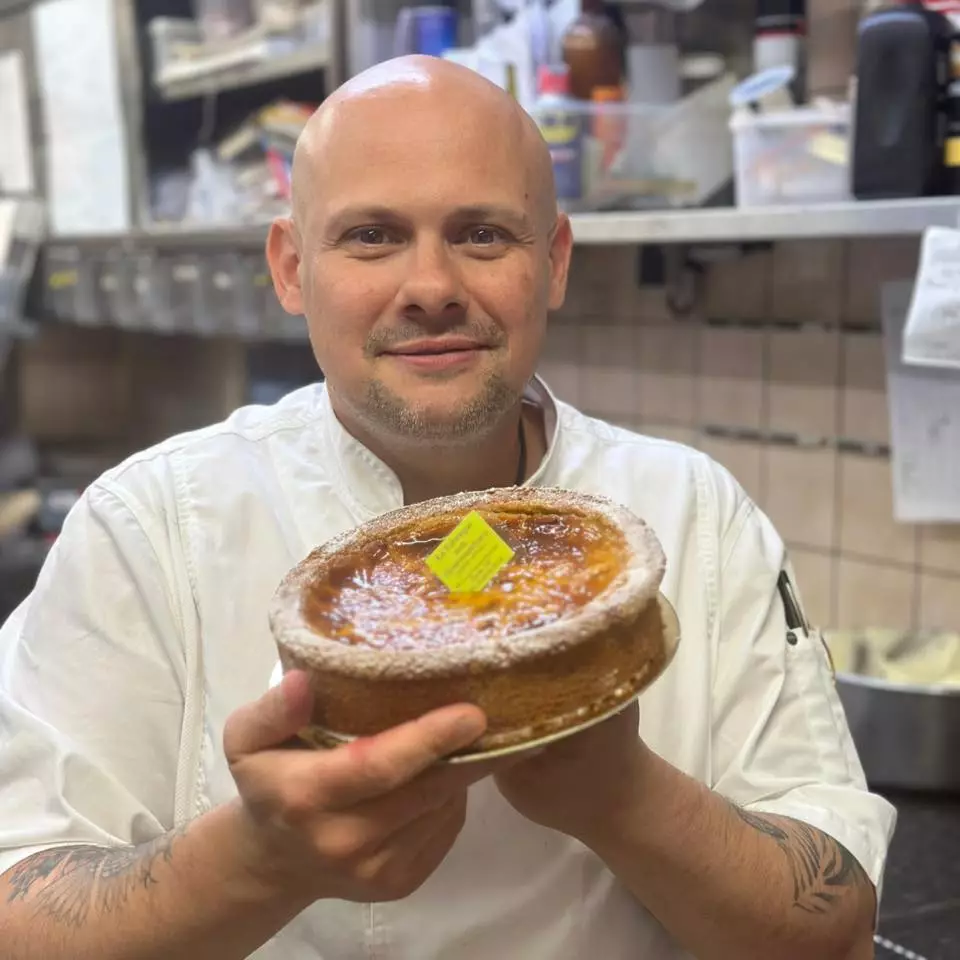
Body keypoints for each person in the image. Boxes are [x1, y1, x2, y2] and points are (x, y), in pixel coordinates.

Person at [0, 55, 894, 960]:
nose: (431, 286)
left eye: (482, 235)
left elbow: (835, 931)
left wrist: (623, 794)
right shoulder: (152, 527)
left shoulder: (694, 514)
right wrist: (255, 863)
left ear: (553, 263)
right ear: (292, 268)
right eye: (372, 236)